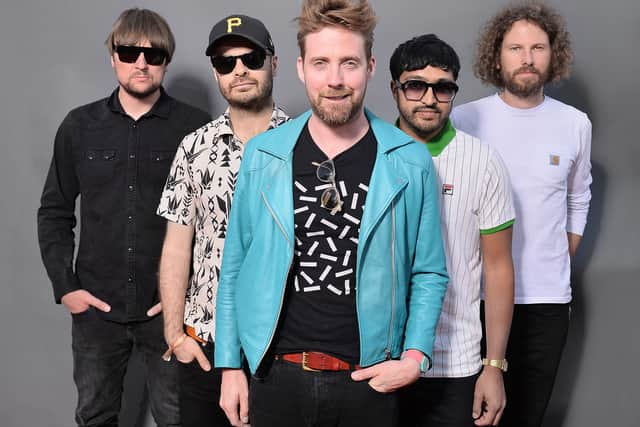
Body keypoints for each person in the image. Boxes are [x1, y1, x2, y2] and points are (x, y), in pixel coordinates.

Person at [215, 1, 449, 426]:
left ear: (371, 66)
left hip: (369, 382)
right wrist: (231, 366)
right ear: (302, 67)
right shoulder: (264, 155)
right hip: (274, 377)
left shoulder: (409, 160)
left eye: (349, 63)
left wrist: (415, 356)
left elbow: (429, 271)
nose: (336, 80)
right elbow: (234, 265)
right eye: (321, 63)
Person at [36, 8, 211, 427]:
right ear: (112, 56)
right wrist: (66, 287)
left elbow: (213, 223)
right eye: (130, 52)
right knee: (95, 416)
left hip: (168, 312)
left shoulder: (195, 129)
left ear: (166, 60)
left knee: (180, 418)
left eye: (153, 54)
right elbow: (55, 212)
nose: (141, 63)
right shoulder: (79, 127)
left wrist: (186, 299)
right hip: (97, 311)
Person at [452, 3, 592, 426]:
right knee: (468, 416)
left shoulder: (575, 124)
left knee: (526, 417)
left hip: (545, 305)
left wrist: (554, 259)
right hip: (474, 300)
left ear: (554, 55)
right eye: (515, 48)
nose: (527, 58)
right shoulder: (465, 118)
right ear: (497, 57)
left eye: (538, 47)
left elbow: (578, 199)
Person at [156, 14, 289, 427]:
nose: (240, 71)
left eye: (251, 58)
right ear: (216, 73)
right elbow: (178, 244)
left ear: (274, 62)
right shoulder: (194, 147)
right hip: (205, 343)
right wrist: (175, 335)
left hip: (281, 341)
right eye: (225, 63)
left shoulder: (304, 143)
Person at [390, 34, 515, 427]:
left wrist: (493, 366)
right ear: (395, 89)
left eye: (442, 88)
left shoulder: (483, 161)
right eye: (415, 86)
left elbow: (498, 268)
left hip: (454, 362)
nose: (429, 99)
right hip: (380, 358)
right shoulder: (370, 152)